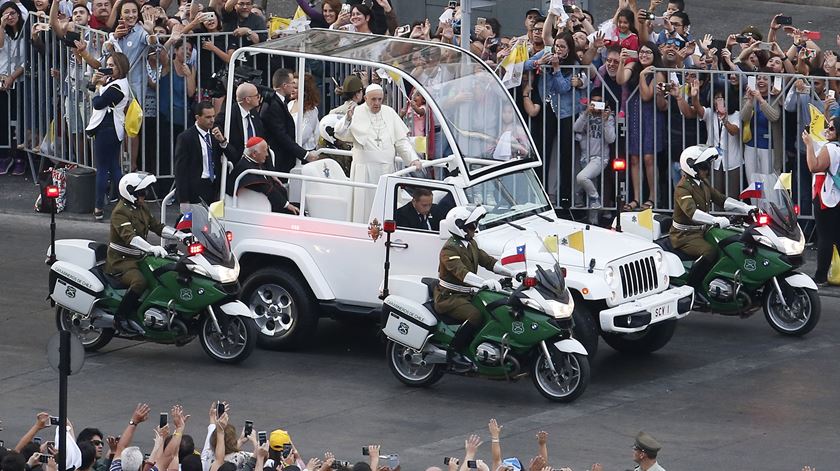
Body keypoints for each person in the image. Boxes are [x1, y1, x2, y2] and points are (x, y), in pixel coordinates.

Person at [670, 146, 754, 305]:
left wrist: (746, 207)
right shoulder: (683, 187)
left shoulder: (702, 183)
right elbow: (692, 213)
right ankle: (691, 290)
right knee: (710, 251)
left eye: (707, 166)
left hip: (702, 231)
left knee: (729, 243)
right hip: (684, 236)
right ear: (692, 167)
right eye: (703, 167)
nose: (707, 170)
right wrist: (716, 220)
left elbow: (721, 199)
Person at [106, 172, 188, 334]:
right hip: (120, 262)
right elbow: (130, 237)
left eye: (145, 191)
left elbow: (157, 226)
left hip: (139, 258)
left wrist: (181, 235)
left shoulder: (141, 207)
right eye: (141, 192)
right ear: (130, 193)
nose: (145, 195)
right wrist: (150, 248)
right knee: (139, 282)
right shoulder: (120, 212)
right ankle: (120, 318)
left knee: (163, 276)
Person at [434, 206, 512, 372]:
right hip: (449, 297)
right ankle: (453, 353)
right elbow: (462, 273)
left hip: (467, 295)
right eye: (471, 226)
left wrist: (514, 273)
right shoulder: (449, 249)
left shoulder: (471, 244)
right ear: (459, 227)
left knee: (494, 311)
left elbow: (489, 261)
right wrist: (484, 282)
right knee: (475, 316)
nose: (475, 229)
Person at [334, 83, 422, 223]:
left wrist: (413, 159)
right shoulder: (356, 112)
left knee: (386, 209)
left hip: (386, 169)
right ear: (366, 98)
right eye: (373, 99)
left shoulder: (389, 112)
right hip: (364, 171)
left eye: (380, 99)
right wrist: (348, 119)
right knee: (364, 210)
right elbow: (340, 134)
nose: (377, 103)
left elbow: (401, 141)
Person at [85, 52, 131, 221]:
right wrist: (95, 84)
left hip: (108, 128)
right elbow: (95, 94)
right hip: (111, 128)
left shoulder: (118, 86)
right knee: (112, 167)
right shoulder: (115, 83)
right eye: (108, 65)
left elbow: (98, 103)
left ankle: (98, 207)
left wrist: (98, 85)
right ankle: (125, 204)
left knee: (104, 168)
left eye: (113, 65)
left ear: (121, 67)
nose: (109, 68)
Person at [174, 102, 236, 213]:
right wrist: (183, 199)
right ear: (197, 117)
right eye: (208, 117)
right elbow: (180, 170)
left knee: (215, 223)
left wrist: (222, 141)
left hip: (215, 188)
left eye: (213, 116)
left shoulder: (215, 135)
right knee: (195, 224)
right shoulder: (186, 138)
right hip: (197, 189)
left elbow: (233, 156)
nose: (212, 120)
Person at [801, 119, 840, 287]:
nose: (827, 129)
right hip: (836, 196)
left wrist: (809, 144)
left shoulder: (830, 148)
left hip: (826, 197)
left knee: (825, 237)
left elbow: (814, 166)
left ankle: (820, 276)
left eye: (831, 128)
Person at [260, 69, 318, 173]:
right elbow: (281, 134)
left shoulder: (309, 109)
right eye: (292, 84)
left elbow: (304, 133)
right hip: (286, 153)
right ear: (285, 85)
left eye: (296, 87)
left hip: (298, 151)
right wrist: (302, 153)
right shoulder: (278, 104)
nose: (293, 88)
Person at [226, 137, 299, 215]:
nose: (267, 155)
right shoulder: (246, 169)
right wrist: (287, 205)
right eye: (264, 151)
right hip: (262, 207)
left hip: (271, 203)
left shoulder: (253, 161)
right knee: (298, 211)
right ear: (254, 154)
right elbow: (265, 188)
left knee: (300, 207)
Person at [573, 95, 616, 209]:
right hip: (584, 157)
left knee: (582, 177)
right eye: (594, 102)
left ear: (604, 103)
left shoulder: (609, 117)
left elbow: (611, 139)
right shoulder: (585, 114)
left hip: (600, 158)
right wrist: (586, 113)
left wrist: (606, 121)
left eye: (599, 102)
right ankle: (593, 221)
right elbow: (576, 128)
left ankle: (595, 198)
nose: (596, 105)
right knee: (591, 185)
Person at [216, 82, 265, 165]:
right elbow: (216, 126)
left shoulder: (254, 113)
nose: (259, 97)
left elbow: (261, 138)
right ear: (248, 99)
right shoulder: (229, 113)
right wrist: (223, 141)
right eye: (257, 95)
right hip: (238, 162)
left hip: (257, 162)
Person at [288, 73, 321, 151]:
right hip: (291, 148)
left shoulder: (311, 109)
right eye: (291, 86)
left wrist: (290, 146)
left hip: (305, 151)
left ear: (305, 90)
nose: (292, 90)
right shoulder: (290, 104)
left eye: (295, 87)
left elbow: (304, 135)